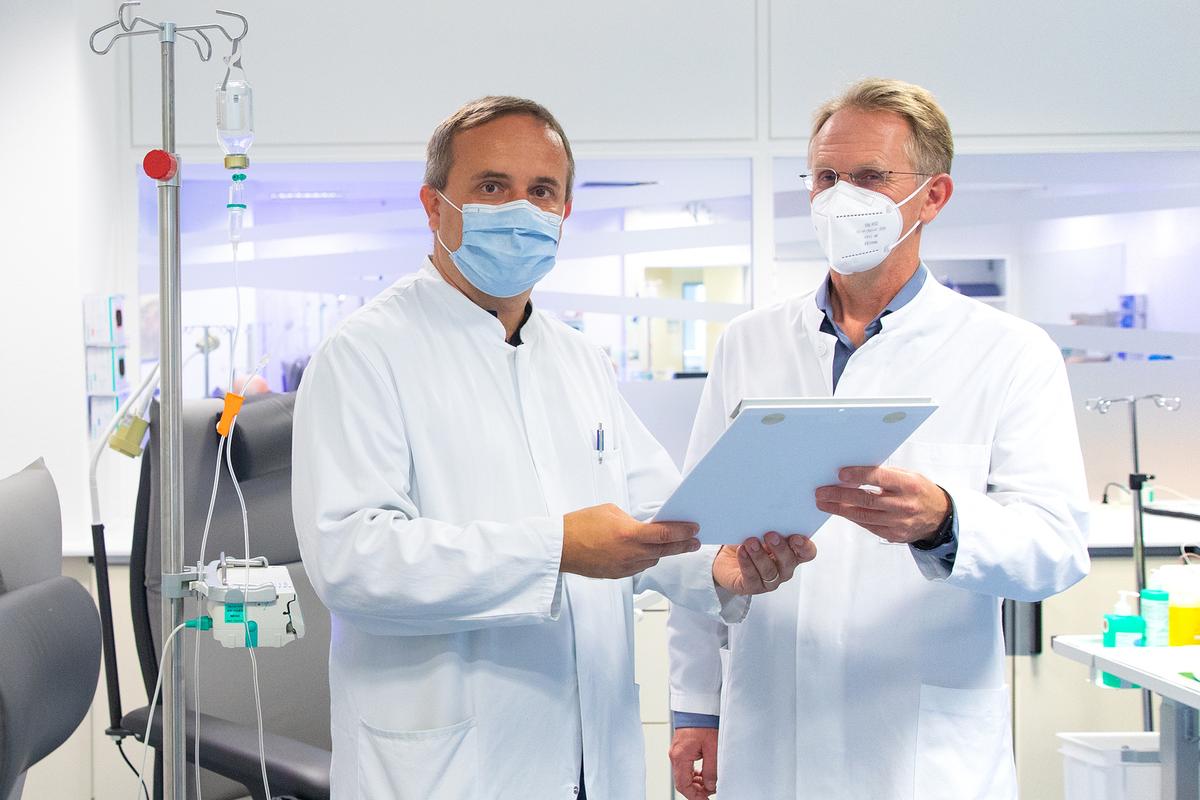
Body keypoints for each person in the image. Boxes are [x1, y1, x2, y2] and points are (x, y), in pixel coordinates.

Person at [291, 95, 816, 800]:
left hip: (589, 762)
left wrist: (722, 568)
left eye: (541, 191)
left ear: (565, 212)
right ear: (434, 205)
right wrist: (556, 549)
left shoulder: (576, 359)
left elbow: (657, 514)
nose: (520, 209)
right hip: (449, 770)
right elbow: (353, 561)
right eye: (490, 187)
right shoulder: (365, 354)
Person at [666, 78, 1090, 800]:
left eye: (869, 177)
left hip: (921, 754)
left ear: (933, 196)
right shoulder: (750, 343)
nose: (841, 197)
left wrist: (945, 522)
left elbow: (1056, 547)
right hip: (771, 737)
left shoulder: (1009, 352)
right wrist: (694, 706)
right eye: (826, 177)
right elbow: (696, 530)